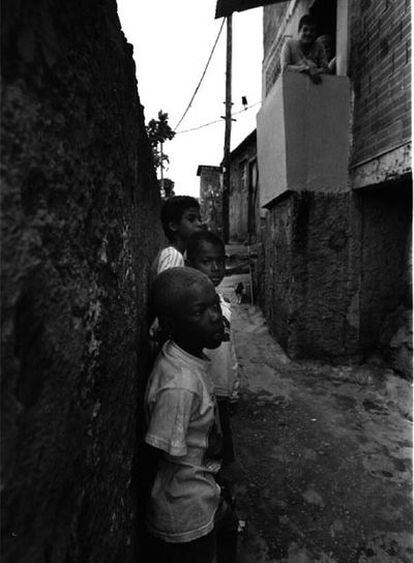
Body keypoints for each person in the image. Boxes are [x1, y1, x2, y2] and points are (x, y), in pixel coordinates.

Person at [145, 267, 238, 563]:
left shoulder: (185, 356)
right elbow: (157, 452)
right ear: (172, 324)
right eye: (200, 311)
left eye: (214, 305)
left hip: (200, 494)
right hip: (184, 513)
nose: (215, 316)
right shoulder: (180, 385)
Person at [186, 231, 240, 470]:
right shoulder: (188, 308)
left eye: (220, 261)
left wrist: (234, 387)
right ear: (190, 265)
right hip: (203, 389)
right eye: (206, 262)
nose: (216, 268)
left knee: (223, 435)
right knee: (207, 444)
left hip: (222, 387)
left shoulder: (223, 303)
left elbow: (230, 352)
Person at [152, 195, 203, 276]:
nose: (199, 224)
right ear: (173, 226)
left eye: (200, 219)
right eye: (191, 219)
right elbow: (169, 287)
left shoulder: (178, 255)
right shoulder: (172, 256)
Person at [281, 14, 328, 84]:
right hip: (294, 85)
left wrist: (315, 71)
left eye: (312, 31)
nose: (308, 33)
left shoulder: (319, 46)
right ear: (299, 31)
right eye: (305, 30)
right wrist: (306, 69)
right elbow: (285, 69)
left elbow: (325, 69)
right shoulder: (289, 45)